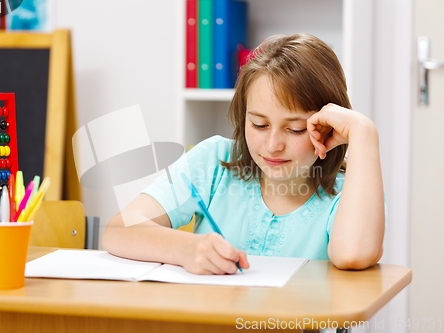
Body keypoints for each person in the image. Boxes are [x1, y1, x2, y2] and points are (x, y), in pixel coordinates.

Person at [102, 33, 385, 274]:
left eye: (296, 129)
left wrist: (363, 132)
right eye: (259, 124)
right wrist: (185, 248)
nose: (273, 144)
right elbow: (119, 230)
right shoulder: (213, 162)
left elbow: (353, 254)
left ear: (328, 125)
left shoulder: (351, 193)